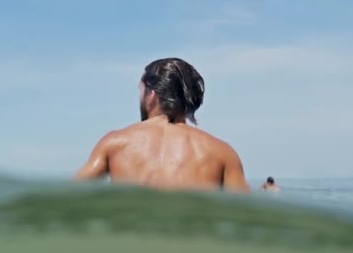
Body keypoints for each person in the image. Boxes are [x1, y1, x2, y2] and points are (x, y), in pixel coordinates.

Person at [74, 57, 250, 193]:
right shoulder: (221, 152)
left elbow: (70, 195)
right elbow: (247, 216)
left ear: (151, 94)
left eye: (141, 91)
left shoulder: (115, 143)